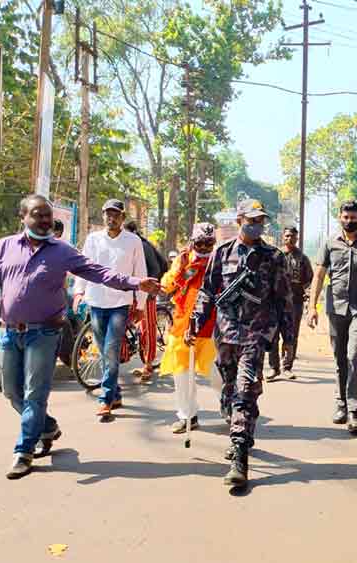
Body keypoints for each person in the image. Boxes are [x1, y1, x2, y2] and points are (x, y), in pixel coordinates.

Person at [0, 195, 160, 479]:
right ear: (23, 217)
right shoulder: (4, 247)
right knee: (11, 390)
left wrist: (135, 284)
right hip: (9, 332)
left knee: (36, 392)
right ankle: (46, 427)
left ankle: (25, 449)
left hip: (45, 333)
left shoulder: (62, 251)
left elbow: (97, 272)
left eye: (48, 215)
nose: (46, 220)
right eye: (38, 215)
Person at [188, 199, 295, 487]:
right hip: (225, 334)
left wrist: (289, 338)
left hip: (255, 334)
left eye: (261, 220)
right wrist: (196, 321)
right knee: (230, 390)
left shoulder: (273, 257)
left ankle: (239, 454)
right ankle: (238, 422)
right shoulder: (221, 253)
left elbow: (284, 299)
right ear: (239, 220)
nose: (257, 224)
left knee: (245, 389)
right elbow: (207, 291)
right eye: (252, 219)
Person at [307, 201, 357, 435]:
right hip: (336, 307)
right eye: (345, 217)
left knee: (354, 355)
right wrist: (312, 307)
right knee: (340, 358)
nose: (349, 221)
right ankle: (341, 403)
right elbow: (319, 276)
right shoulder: (330, 243)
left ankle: (354, 410)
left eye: (353, 217)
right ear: (339, 218)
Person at [73, 199, 149, 418]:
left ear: (123, 218)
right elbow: (83, 267)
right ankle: (115, 393)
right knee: (104, 350)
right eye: (107, 214)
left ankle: (105, 398)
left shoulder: (133, 241)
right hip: (96, 301)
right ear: (103, 216)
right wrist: (78, 292)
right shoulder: (93, 239)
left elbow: (140, 272)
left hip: (120, 302)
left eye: (116, 214)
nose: (111, 218)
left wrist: (141, 303)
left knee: (111, 349)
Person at [159, 223, 218, 434]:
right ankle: (187, 416)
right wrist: (183, 272)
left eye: (208, 243)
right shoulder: (183, 260)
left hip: (210, 327)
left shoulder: (218, 261)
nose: (203, 248)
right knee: (182, 374)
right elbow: (166, 286)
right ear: (193, 242)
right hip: (182, 326)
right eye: (200, 243)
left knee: (217, 374)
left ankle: (233, 410)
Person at [125, 220, 169, 381]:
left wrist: (150, 290)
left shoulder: (142, 245)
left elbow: (156, 269)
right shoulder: (124, 246)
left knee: (147, 327)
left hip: (147, 291)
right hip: (130, 291)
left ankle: (148, 364)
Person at [268, 226, 313, 381]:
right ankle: (274, 368)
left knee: (291, 336)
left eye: (293, 237)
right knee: (273, 335)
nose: (290, 239)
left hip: (295, 303)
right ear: (283, 237)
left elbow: (309, 281)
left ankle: (287, 367)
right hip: (275, 302)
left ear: (297, 238)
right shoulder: (274, 255)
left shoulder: (302, 258)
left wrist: (309, 302)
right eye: (287, 236)